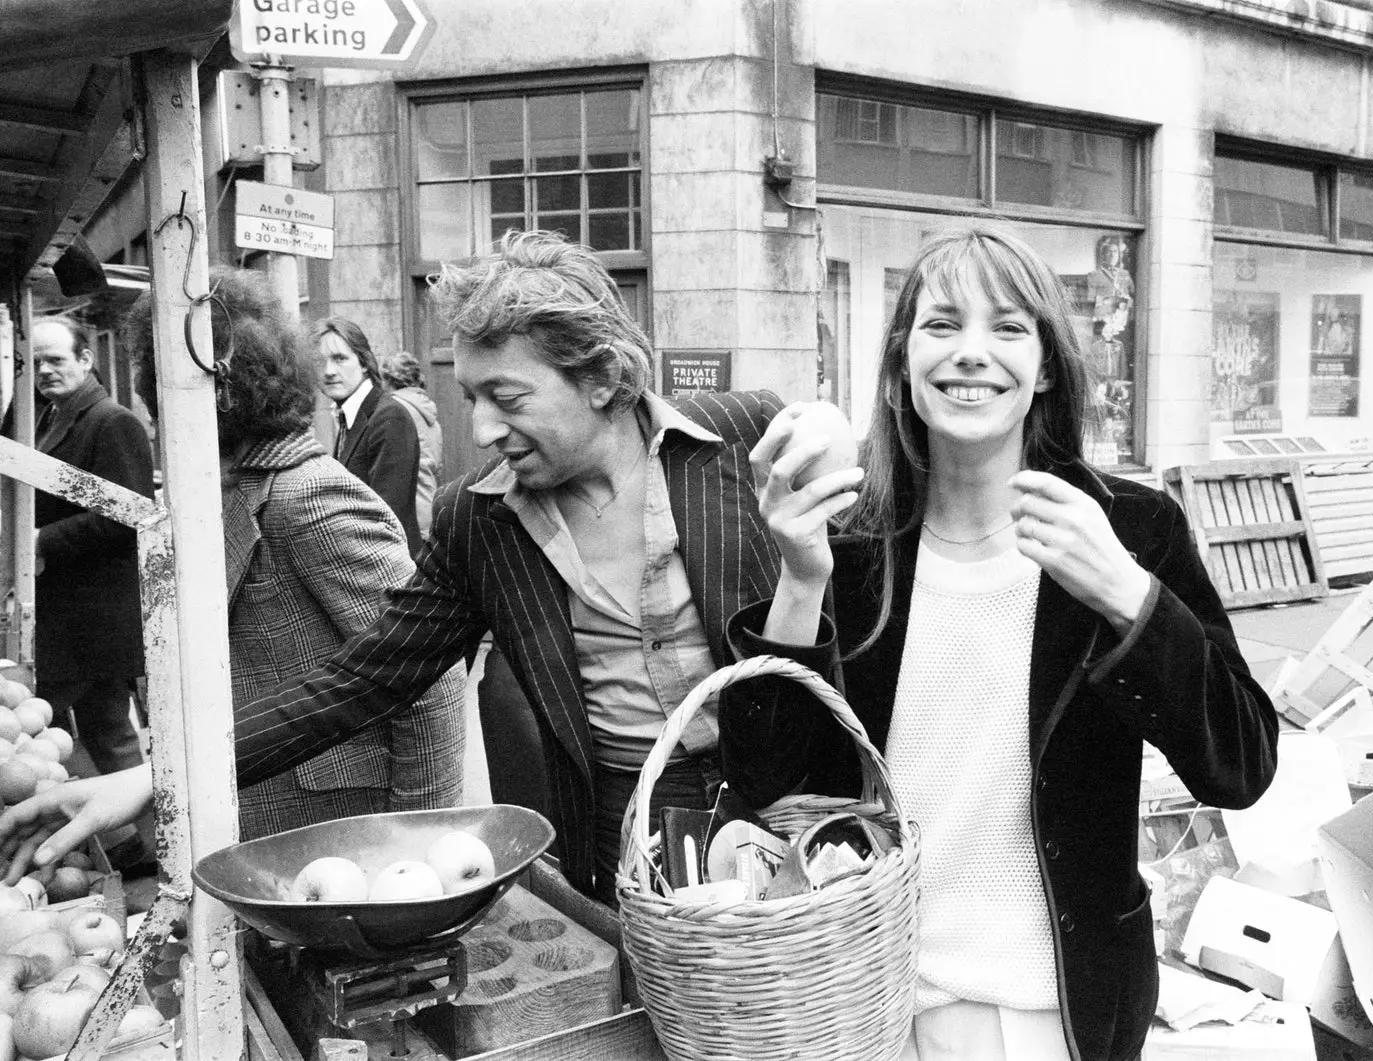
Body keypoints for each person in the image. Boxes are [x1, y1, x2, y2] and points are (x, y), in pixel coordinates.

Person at [0, 231, 787, 899]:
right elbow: (363, 679)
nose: (480, 428)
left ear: (605, 378)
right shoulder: (480, 519)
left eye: (506, 397)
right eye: (469, 395)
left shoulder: (744, 437)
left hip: (783, 813)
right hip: (617, 828)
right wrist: (157, 776)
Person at [720, 225, 1279, 1061]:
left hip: (1058, 1012)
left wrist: (1129, 594)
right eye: (942, 325)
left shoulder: (1127, 528)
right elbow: (767, 783)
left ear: (1046, 365)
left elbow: (1241, 762)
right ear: (903, 362)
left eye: (1008, 327)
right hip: (874, 1003)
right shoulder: (855, 544)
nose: (971, 352)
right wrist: (801, 582)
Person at [119, 268, 466, 839]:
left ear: (220, 395)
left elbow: (430, 677)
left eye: (160, 402)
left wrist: (421, 844)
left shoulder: (306, 496)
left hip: (342, 831)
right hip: (271, 813)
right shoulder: (242, 488)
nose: (157, 426)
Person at [30, 317, 153, 781]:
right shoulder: (47, 416)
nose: (44, 371)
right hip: (70, 617)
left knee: (97, 735)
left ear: (86, 360)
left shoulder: (112, 422)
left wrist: (41, 540)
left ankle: (140, 844)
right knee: (93, 733)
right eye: (37, 362)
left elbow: (126, 517)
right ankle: (129, 847)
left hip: (93, 618)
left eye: (56, 360)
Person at [313, 317, 424, 555]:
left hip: (390, 571)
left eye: (340, 359)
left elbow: (386, 517)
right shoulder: (349, 417)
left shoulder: (389, 417)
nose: (329, 371)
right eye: (320, 362)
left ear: (364, 363)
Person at [378, 351, 444, 537]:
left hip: (408, 514)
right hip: (430, 504)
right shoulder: (428, 412)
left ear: (388, 379)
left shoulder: (395, 410)